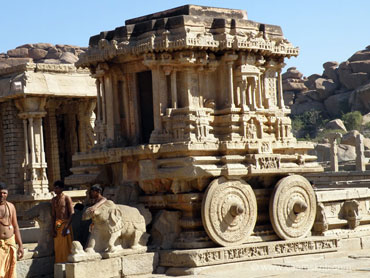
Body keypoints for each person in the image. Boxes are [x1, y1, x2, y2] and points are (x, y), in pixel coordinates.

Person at [0, 182, 23, 278]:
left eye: (4, 193)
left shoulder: (11, 206)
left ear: (7, 193)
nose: (2, 195)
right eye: (0, 192)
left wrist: (20, 246)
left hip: (10, 243)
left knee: (10, 272)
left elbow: (16, 226)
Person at [51, 180, 74, 263]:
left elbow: (72, 213)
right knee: (58, 246)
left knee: (66, 245)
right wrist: (53, 229)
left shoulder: (66, 198)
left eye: (57, 188)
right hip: (57, 224)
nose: (55, 190)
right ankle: (59, 263)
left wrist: (66, 227)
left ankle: (67, 263)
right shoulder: (53, 200)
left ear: (62, 188)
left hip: (65, 224)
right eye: (54, 188)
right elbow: (53, 216)